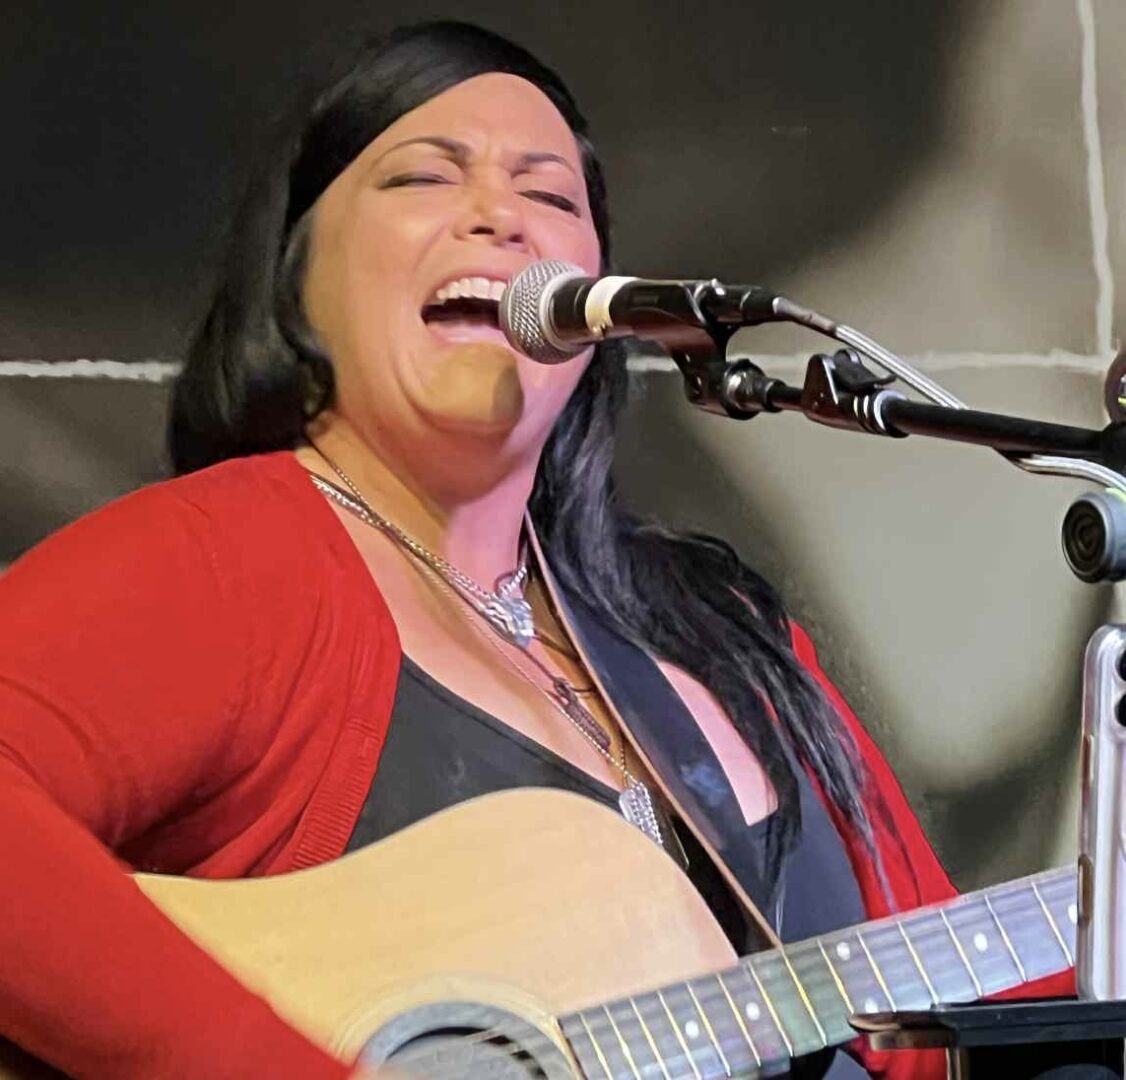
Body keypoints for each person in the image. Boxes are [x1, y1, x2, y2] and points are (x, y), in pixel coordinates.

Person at [0, 20, 1073, 1080]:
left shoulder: (727, 637)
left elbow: (951, 1026)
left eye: (551, 197)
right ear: (295, 283)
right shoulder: (237, 561)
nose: (499, 216)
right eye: (425, 177)